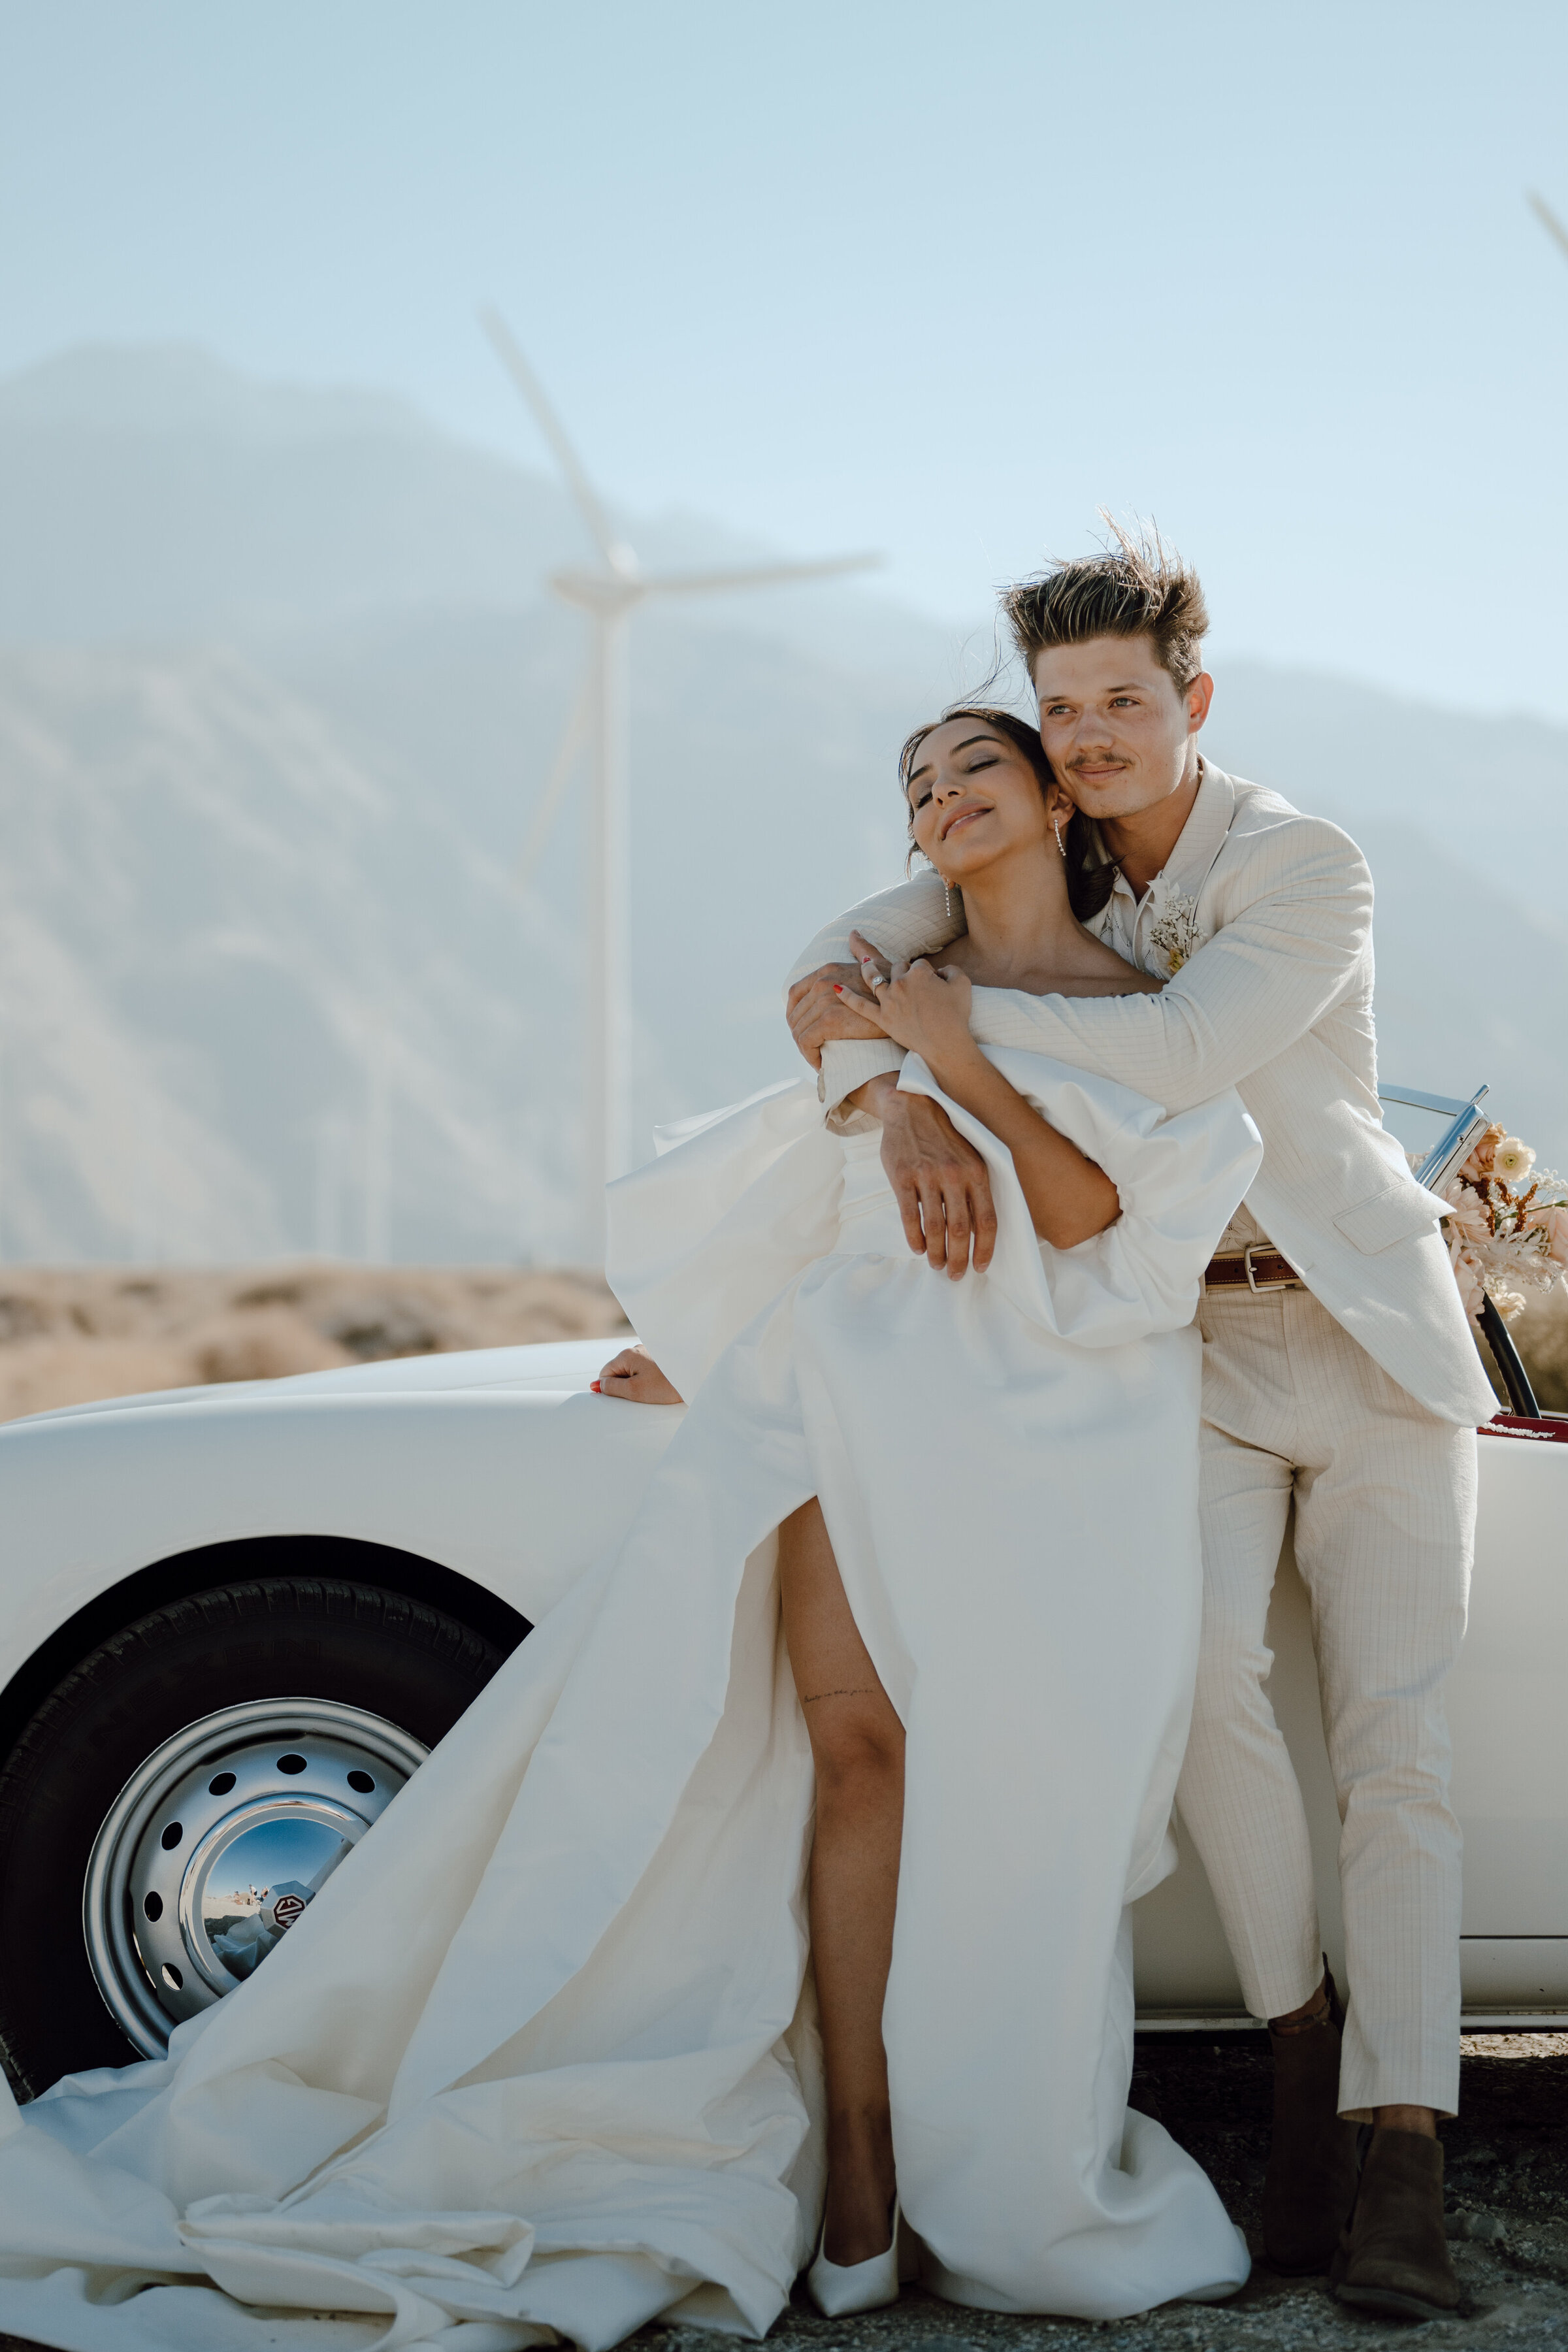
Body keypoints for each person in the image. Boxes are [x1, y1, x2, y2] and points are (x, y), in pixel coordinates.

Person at [0, 700, 1261, 2351]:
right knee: (857, 1755)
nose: (943, 797)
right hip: (854, 1383)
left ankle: (1011, 2165)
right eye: (917, 785)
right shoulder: (872, 1001)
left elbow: (1102, 1224)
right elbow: (815, 1040)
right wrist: (890, 1100)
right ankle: (864, 2169)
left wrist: (956, 1077)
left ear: (1050, 800)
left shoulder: (1136, 1016)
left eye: (977, 768)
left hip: (1052, 1434)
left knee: (1026, 1803)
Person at [785, 525, 1497, 2327]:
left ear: (1195, 700)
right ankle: (1294, 2054)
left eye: (1120, 704)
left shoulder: (1307, 864)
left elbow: (1178, 1057)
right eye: (1060, 710)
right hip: (1188, 1350)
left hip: (1373, 1341)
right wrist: (892, 1089)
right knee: (1192, 1693)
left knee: (1401, 1746)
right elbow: (829, 962)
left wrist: (951, 1023)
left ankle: (1401, 2149)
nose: (1088, 736)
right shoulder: (1040, 846)